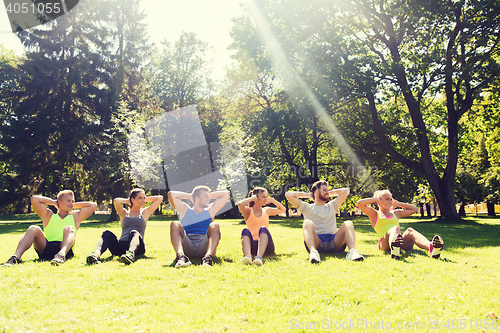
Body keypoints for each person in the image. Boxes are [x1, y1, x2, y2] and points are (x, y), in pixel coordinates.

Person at [2, 190, 97, 266]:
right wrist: (54, 203)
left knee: (69, 228)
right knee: (33, 228)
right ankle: (15, 258)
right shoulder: (48, 215)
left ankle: (61, 256)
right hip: (46, 248)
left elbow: (93, 205)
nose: (71, 203)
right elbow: (34, 199)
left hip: (64, 250)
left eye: (72, 201)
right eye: (68, 200)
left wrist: (70, 205)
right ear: (59, 202)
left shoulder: (76, 217)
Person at [285, 180, 364, 263]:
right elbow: (288, 194)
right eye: (324, 190)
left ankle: (352, 252)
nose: (327, 192)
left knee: (348, 223)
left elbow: (346, 191)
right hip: (317, 242)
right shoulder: (306, 207)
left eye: (328, 190)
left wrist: (327, 192)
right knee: (307, 223)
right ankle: (314, 253)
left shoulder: (332, 206)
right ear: (316, 192)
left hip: (334, 241)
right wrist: (309, 195)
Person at [356, 190, 444, 259]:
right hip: (384, 243)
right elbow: (360, 203)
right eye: (387, 199)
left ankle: (431, 247)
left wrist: (398, 204)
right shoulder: (374, 214)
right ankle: (394, 249)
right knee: (395, 228)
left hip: (398, 241)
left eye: (391, 199)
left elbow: (415, 209)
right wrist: (375, 199)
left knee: (410, 230)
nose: (390, 202)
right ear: (379, 201)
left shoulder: (395, 213)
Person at [86, 189, 163, 265]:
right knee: (106, 233)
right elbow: (116, 201)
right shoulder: (124, 213)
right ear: (132, 199)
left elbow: (160, 198)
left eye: (144, 198)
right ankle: (95, 254)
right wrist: (128, 200)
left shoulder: (145, 212)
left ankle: (130, 254)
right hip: (121, 247)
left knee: (134, 232)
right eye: (140, 198)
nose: (143, 200)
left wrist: (143, 199)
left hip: (138, 247)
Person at [168, 186, 230, 268]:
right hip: (188, 244)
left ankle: (207, 259)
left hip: (205, 246)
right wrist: (190, 196)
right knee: (175, 224)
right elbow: (171, 194)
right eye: (205, 197)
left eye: (209, 197)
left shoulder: (210, 210)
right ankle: (181, 257)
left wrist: (207, 195)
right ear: (196, 199)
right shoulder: (185, 209)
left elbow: (226, 194)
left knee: (215, 225)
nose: (208, 199)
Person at [238, 187, 286, 265]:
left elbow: (283, 209)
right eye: (263, 197)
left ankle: (259, 257)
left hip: (266, 246)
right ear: (256, 198)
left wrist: (273, 200)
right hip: (252, 246)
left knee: (263, 228)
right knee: (245, 230)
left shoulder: (267, 210)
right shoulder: (248, 211)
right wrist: (253, 197)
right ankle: (248, 257)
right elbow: (240, 204)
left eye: (266, 197)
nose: (265, 199)